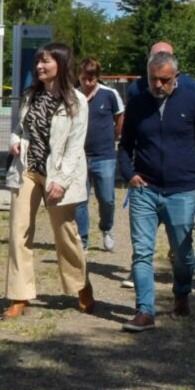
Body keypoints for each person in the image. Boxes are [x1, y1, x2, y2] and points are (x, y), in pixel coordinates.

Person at [119, 50, 195, 331]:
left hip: (181, 191)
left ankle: (182, 294)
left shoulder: (194, 102)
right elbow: (125, 147)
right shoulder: (137, 104)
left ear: (176, 76)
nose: (158, 85)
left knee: (183, 253)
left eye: (164, 80)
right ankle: (145, 311)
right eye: (153, 79)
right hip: (145, 190)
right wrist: (129, 174)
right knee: (142, 252)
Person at [3, 43, 92, 319]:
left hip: (58, 174)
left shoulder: (76, 101)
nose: (40, 66)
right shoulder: (31, 95)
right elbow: (20, 128)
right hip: (27, 169)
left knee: (65, 234)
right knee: (18, 231)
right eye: (39, 61)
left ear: (61, 64)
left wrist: (62, 181)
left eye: (46, 61)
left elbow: (75, 146)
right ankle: (20, 295)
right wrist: (15, 140)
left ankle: (81, 285)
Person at [75, 57, 124, 252]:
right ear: (79, 76)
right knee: (80, 200)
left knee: (107, 198)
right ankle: (82, 239)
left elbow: (120, 117)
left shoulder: (109, 94)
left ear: (98, 77)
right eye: (85, 78)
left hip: (104, 155)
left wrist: (114, 136)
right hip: (79, 156)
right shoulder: (73, 95)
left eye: (92, 79)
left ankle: (107, 227)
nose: (88, 83)